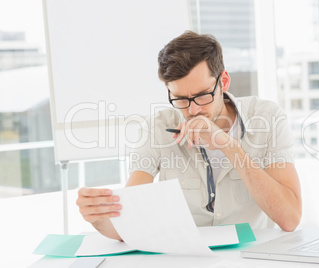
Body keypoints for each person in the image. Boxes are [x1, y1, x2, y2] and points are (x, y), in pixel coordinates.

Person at [76, 31, 302, 241]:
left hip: (252, 257)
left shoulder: (267, 117)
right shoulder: (157, 128)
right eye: (181, 99)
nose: (192, 110)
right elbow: (128, 223)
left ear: (223, 82)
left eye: (202, 96)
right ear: (169, 92)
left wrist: (229, 146)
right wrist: (99, 217)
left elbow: (290, 218)